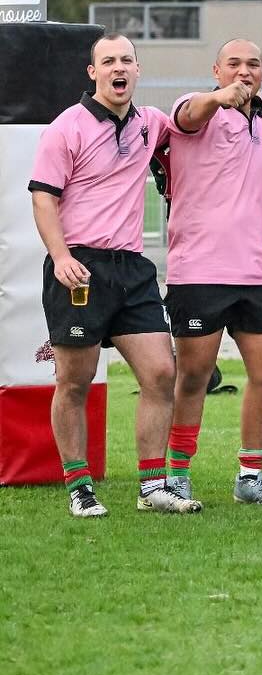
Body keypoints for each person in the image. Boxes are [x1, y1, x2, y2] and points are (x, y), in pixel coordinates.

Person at [29, 33, 194, 516]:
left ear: (137, 70)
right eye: (108, 61)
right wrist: (61, 257)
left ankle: (152, 487)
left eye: (126, 60)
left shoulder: (150, 122)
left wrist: (226, 94)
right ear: (93, 72)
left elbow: (190, 122)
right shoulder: (66, 127)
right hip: (79, 266)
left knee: (161, 373)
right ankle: (79, 488)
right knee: (74, 381)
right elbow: (43, 199)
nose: (118, 68)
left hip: (133, 268)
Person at [160, 39, 262, 506]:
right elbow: (189, 114)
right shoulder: (197, 109)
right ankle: (177, 474)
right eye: (233, 63)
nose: (244, 70)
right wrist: (218, 98)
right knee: (194, 375)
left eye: (253, 64)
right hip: (199, 270)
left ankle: (250, 476)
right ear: (216, 70)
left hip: (259, 272)